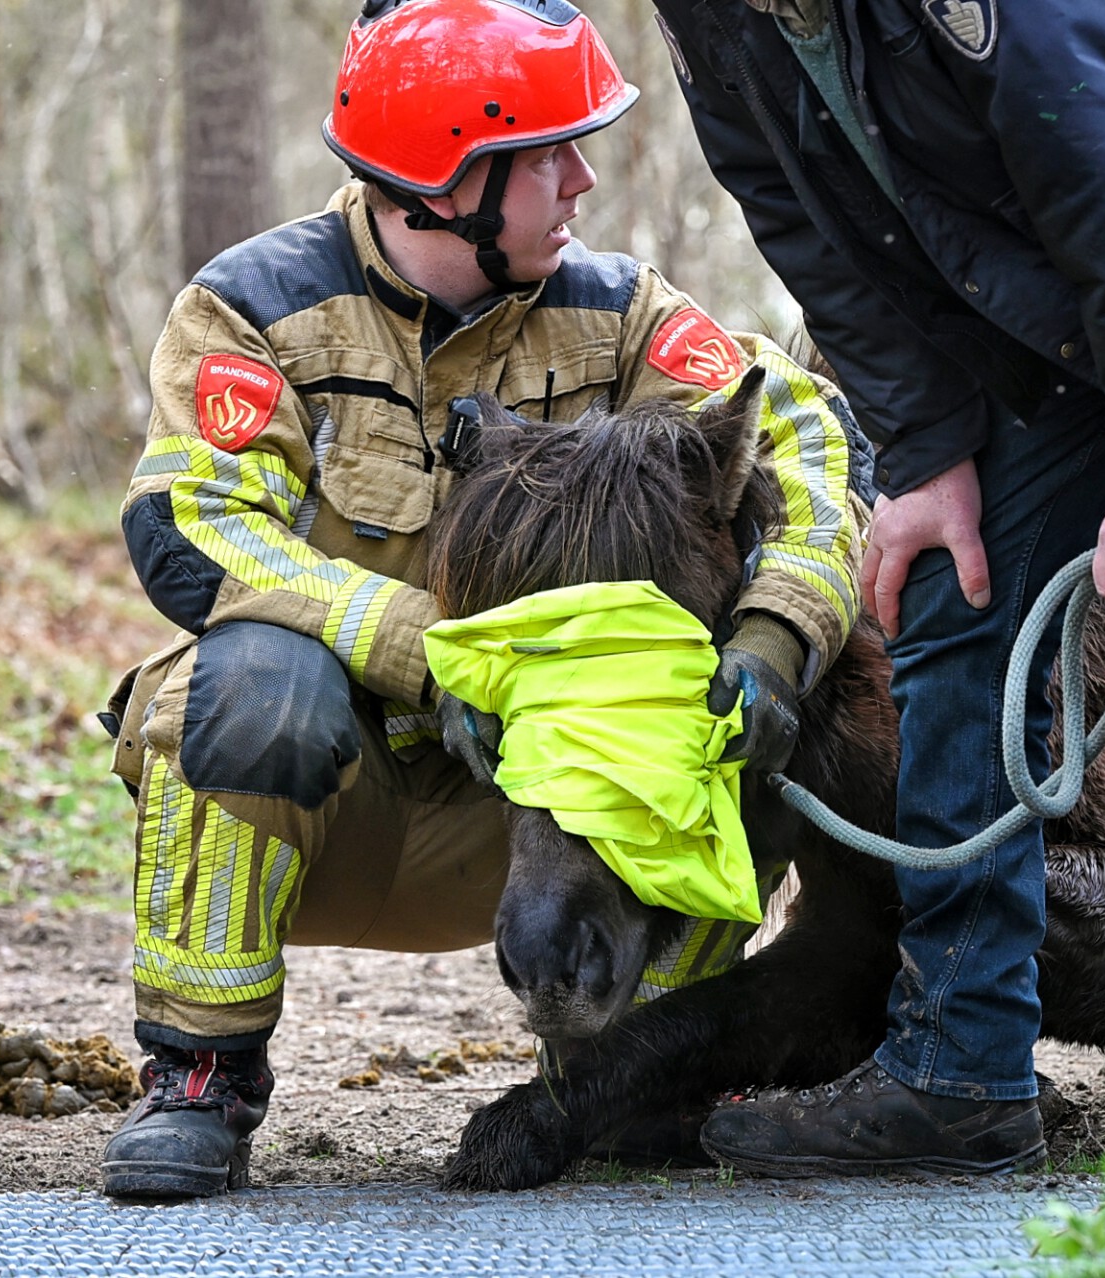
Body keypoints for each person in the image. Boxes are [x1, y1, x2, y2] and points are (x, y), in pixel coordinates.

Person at [98, 0, 867, 1201]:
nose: (583, 181)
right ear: (445, 182)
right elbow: (194, 528)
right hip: (338, 795)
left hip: (551, 801)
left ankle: (628, 1079)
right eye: (548, 154)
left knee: (744, 708)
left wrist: (777, 632)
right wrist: (433, 652)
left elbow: (801, 439)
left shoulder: (623, 311)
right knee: (247, 680)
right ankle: (201, 1073)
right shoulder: (251, 309)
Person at [649, 0, 1105, 1192]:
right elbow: (807, 219)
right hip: (1069, 266)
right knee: (948, 589)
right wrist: (929, 454)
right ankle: (958, 1072)